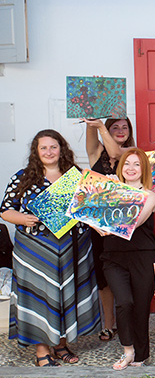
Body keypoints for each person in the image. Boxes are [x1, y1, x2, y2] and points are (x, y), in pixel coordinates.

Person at [1, 130, 100, 366]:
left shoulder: (76, 176)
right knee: (39, 298)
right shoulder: (23, 177)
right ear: (36, 151)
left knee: (66, 295)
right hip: (34, 251)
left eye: (53, 147)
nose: (49, 152)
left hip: (72, 247)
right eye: (43, 148)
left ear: (61, 149)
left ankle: (61, 344)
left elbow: (93, 206)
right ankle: (42, 350)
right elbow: (5, 210)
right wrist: (23, 219)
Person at [102, 149, 155, 370]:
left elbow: (134, 221)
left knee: (141, 307)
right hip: (113, 256)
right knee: (124, 302)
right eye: (127, 163)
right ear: (121, 167)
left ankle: (141, 355)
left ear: (143, 169)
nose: (131, 168)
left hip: (142, 256)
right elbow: (93, 217)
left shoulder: (150, 196)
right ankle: (128, 350)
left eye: (137, 164)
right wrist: (103, 193)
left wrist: (114, 194)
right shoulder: (108, 191)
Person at [84, 117, 135, 342]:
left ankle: (128, 321)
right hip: (99, 227)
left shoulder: (132, 153)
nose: (121, 130)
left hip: (127, 225)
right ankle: (109, 323)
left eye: (125, 127)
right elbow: (92, 133)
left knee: (127, 273)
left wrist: (101, 127)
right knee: (104, 276)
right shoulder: (96, 152)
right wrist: (91, 119)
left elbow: (115, 152)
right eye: (115, 127)